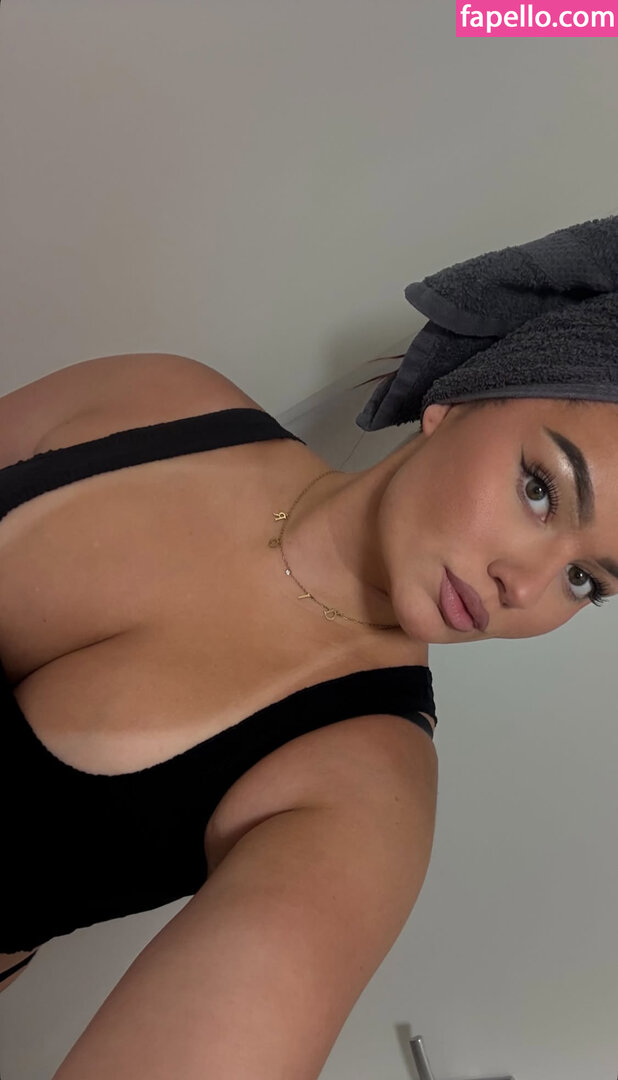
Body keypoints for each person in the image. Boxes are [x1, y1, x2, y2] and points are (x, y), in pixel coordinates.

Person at [1, 349, 617, 1077]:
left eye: (583, 579)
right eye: (541, 490)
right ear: (458, 399)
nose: (526, 585)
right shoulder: (163, 398)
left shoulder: (366, 791)